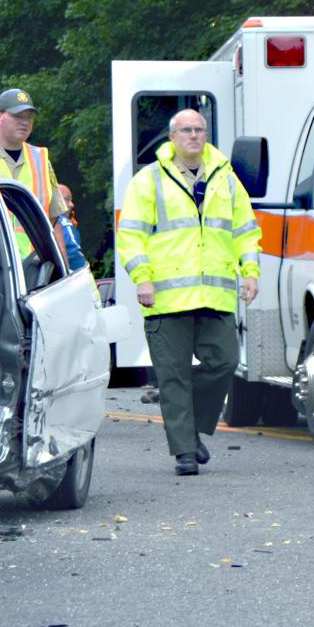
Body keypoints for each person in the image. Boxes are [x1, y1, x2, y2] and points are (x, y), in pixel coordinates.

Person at [115, 109, 261, 476]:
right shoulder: (148, 180)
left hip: (215, 294)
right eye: (186, 130)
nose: (194, 135)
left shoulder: (226, 179)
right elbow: (130, 235)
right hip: (165, 296)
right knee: (173, 375)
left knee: (226, 361)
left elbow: (246, 230)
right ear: (172, 137)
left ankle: (189, 426)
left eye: (200, 129)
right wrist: (142, 278)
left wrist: (251, 271)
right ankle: (184, 451)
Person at [0, 89, 68, 256]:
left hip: (34, 267)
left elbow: (55, 219)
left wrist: (63, 271)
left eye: (29, 117)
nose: (25, 122)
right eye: (17, 116)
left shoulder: (41, 159)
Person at [56, 184, 87, 271]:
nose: (72, 204)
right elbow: (73, 250)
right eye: (67, 199)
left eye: (71, 200)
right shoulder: (64, 223)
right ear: (55, 200)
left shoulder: (43, 221)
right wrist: (84, 273)